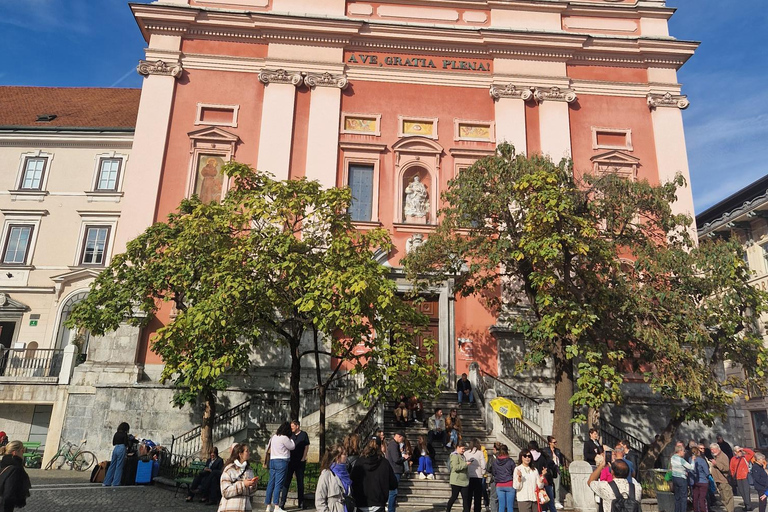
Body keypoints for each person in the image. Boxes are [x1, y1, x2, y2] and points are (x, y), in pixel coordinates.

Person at [350, 437, 398, 512]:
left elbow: (352, 481)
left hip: (361, 503)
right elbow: (393, 484)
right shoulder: (384, 463)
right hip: (378, 503)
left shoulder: (359, 462)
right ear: (380, 446)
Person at [218, 443, 258, 512]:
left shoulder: (249, 470)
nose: (249, 452)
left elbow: (250, 493)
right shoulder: (229, 469)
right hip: (231, 508)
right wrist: (243, 485)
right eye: (247, 451)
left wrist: (253, 485)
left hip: (246, 508)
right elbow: (225, 492)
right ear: (240, 454)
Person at [280, 420, 310, 510]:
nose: (291, 428)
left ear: (297, 426)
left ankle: (301, 502)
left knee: (300, 482)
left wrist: (304, 457)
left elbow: (306, 446)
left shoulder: (304, 435)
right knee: (286, 482)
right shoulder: (290, 435)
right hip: (290, 461)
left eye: (293, 426)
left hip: (300, 461)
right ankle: (282, 502)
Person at [265, 422, 295, 512]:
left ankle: (268, 505)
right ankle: (277, 506)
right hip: (281, 461)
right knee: (278, 484)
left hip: (273, 460)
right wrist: (292, 440)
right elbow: (292, 447)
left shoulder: (274, 437)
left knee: (271, 484)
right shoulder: (284, 438)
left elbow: (268, 448)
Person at [315, 444, 350, 512]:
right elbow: (319, 501)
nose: (346, 456)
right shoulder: (326, 474)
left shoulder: (346, 473)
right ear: (337, 457)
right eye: (344, 454)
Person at [0, 440, 31, 512]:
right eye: (22, 450)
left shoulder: (3, 464)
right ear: (14, 452)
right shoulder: (15, 469)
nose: (23, 453)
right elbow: (8, 494)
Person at [530, 440, 557, 512]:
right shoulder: (543, 456)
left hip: (534, 482)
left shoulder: (529, 458)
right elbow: (551, 466)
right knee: (549, 502)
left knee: (537, 503)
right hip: (546, 480)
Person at [385, 431, 409, 512]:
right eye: (402, 438)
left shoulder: (393, 444)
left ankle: (391, 509)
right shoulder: (393, 445)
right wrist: (404, 458)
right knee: (393, 492)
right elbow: (396, 459)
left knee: (393, 492)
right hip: (395, 470)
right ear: (399, 436)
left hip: (394, 470)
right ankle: (391, 510)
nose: (402, 441)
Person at [102, 422, 130, 487]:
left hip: (116, 448)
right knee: (119, 466)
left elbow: (114, 443)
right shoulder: (124, 434)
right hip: (121, 448)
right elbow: (126, 443)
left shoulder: (116, 433)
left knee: (112, 465)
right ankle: (115, 482)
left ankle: (106, 481)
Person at [710, 443, 734, 512]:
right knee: (724, 499)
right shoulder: (717, 456)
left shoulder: (723, 456)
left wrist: (716, 464)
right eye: (711, 450)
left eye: (713, 449)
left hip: (724, 481)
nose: (712, 451)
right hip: (719, 481)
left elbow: (726, 468)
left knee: (728, 499)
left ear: (717, 449)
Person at [670, 442, 694, 512]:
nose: (684, 453)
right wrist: (692, 460)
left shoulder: (672, 458)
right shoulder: (681, 460)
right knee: (683, 497)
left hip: (675, 478)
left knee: (677, 497)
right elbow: (691, 467)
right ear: (680, 451)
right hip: (681, 479)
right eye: (683, 451)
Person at [447, 442, 471, 512]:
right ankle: (448, 510)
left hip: (464, 481)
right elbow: (455, 468)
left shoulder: (463, 456)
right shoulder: (454, 456)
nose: (463, 450)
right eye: (462, 449)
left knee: (465, 499)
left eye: (464, 449)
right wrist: (465, 464)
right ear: (457, 447)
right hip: (456, 481)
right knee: (454, 497)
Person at [731, 446, 756, 512]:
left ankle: (748, 506)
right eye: (738, 451)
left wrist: (743, 449)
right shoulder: (733, 459)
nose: (740, 452)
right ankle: (746, 504)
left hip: (745, 477)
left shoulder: (745, 457)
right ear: (735, 452)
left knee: (746, 491)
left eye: (740, 451)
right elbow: (732, 468)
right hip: (738, 478)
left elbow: (751, 453)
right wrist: (733, 476)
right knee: (741, 492)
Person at [491, 444, 515, 512]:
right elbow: (514, 472)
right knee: (510, 507)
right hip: (509, 484)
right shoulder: (510, 461)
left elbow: (494, 472)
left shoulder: (495, 462)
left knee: (501, 506)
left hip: (499, 485)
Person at [543, 436, 565, 509]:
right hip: (549, 470)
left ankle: (557, 501)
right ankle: (548, 501)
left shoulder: (557, 451)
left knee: (557, 486)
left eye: (556, 442)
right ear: (549, 443)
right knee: (548, 486)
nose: (555, 443)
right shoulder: (545, 450)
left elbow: (561, 460)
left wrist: (561, 466)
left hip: (556, 469)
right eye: (554, 442)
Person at [466, 439, 487, 512]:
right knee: (477, 497)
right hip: (478, 476)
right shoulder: (480, 453)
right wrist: (483, 472)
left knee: (468, 496)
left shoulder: (466, 453)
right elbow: (483, 465)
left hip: (468, 477)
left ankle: (466, 509)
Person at [690, 445, 711, 512]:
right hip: (703, 481)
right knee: (702, 498)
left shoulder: (690, 460)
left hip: (694, 481)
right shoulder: (701, 460)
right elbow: (707, 472)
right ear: (698, 452)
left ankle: (696, 510)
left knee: (695, 498)